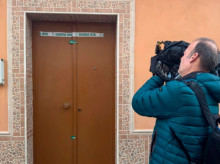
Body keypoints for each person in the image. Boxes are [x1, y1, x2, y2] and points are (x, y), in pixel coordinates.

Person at [132, 38, 220, 164]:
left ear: (193, 57)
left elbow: (138, 102)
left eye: (184, 54)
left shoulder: (178, 90)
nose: (180, 58)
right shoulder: (210, 89)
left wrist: (158, 75)